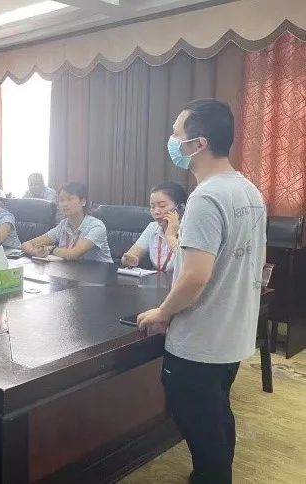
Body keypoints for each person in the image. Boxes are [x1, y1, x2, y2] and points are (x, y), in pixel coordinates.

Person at [137, 99, 267, 484]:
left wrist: (163, 311)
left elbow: (195, 277)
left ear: (198, 144)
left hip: (200, 341)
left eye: (176, 134)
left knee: (203, 428)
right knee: (217, 417)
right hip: (231, 335)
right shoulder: (249, 191)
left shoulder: (205, 198)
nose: (171, 141)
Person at [21, 182, 112, 263]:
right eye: (61, 200)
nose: (65, 204)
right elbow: (26, 244)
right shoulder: (63, 225)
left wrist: (52, 249)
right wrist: (36, 252)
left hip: (101, 274)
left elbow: (73, 254)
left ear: (83, 202)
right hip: (72, 272)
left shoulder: (96, 226)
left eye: (70, 199)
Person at [121, 182, 187, 272]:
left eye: (162, 206)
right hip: (158, 280)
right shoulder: (153, 227)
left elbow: (190, 266)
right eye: (152, 207)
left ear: (180, 207)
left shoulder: (189, 229)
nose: (156, 212)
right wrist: (129, 260)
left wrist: (171, 237)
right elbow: (127, 258)